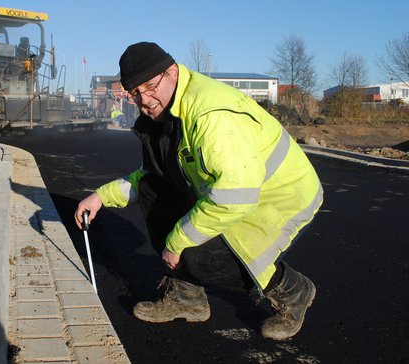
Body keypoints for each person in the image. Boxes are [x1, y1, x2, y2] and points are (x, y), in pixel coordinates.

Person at [74, 42, 323, 340]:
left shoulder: (210, 115)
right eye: (135, 93)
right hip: (234, 194)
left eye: (151, 86)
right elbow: (153, 177)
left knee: (206, 255)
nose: (144, 99)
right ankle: (186, 297)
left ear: (173, 72)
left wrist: (178, 241)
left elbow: (234, 197)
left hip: (280, 197)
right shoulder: (170, 113)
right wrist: (101, 196)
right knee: (157, 191)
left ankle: (291, 289)